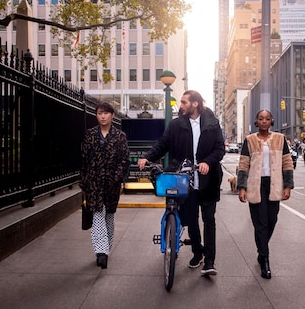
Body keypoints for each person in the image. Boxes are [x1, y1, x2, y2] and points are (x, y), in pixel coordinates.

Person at [137, 90, 225, 276]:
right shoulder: (176, 124)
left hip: (208, 180)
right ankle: (198, 252)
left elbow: (219, 149)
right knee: (191, 220)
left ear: (195, 104)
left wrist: (207, 162)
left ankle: (210, 262)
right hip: (185, 180)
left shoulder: (212, 123)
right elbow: (163, 144)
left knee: (209, 220)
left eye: (184, 102)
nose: (181, 105)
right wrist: (147, 157)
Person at [237, 110, 294, 279]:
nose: (264, 121)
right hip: (255, 184)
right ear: (256, 121)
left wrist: (288, 185)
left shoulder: (280, 139)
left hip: (274, 184)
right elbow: (243, 164)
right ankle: (265, 259)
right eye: (261, 119)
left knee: (271, 221)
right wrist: (241, 187)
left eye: (267, 119)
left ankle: (261, 250)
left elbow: (287, 162)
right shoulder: (249, 140)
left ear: (271, 121)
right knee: (260, 223)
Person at [80, 102, 130, 269]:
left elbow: (125, 160)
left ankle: (105, 248)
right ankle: (101, 252)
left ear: (112, 115)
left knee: (109, 215)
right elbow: (84, 159)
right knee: (97, 215)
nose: (102, 116)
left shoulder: (120, 136)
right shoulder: (90, 134)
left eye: (105, 113)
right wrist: (85, 181)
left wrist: (116, 178)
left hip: (111, 184)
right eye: (99, 113)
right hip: (93, 183)